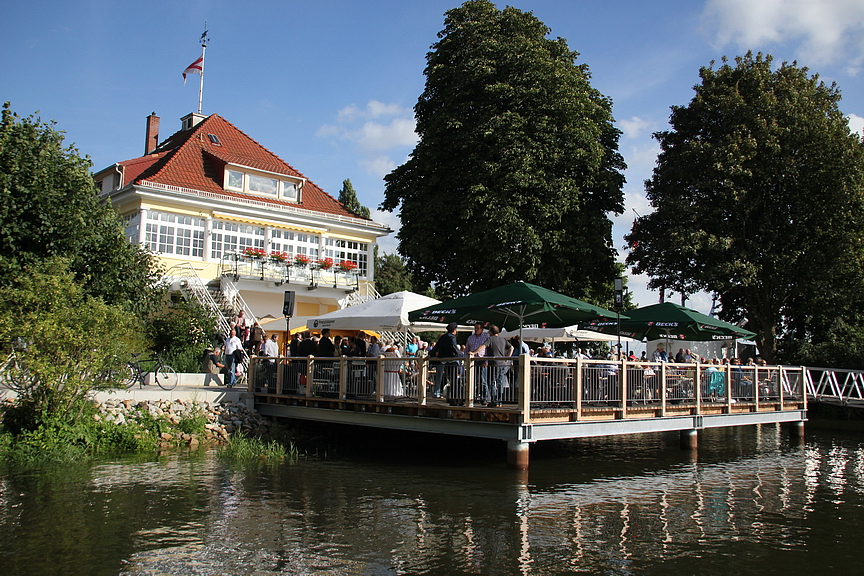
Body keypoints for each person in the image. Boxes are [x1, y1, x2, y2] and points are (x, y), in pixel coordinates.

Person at [484, 325, 513, 407]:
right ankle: (499, 401)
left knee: (491, 382)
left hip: (493, 364)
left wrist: (474, 352)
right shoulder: (503, 339)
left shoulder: (490, 339)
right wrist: (507, 357)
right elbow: (511, 348)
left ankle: (494, 400)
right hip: (502, 363)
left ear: (491, 332)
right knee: (500, 383)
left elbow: (483, 346)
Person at [432, 322, 461, 400]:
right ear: (454, 330)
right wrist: (461, 355)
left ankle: (437, 392)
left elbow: (436, 347)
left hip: (442, 359)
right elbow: (454, 347)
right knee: (453, 378)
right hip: (451, 359)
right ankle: (454, 395)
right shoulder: (452, 337)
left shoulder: (443, 337)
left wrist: (430, 354)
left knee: (440, 376)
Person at [465, 323, 490, 401]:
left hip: (482, 360)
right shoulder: (470, 337)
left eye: (478, 328)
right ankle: (473, 397)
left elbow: (488, 350)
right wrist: (466, 360)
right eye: (475, 328)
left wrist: (487, 361)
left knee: (483, 381)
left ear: (482, 329)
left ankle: (484, 398)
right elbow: (467, 349)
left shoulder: (486, 337)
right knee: (473, 380)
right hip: (473, 361)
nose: (476, 330)